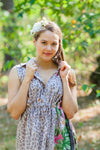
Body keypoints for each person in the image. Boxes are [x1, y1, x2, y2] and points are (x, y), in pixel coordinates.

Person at [7, 17, 78, 150]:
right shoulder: (18, 72)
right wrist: (27, 78)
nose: (49, 48)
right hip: (30, 138)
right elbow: (15, 113)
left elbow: (71, 113)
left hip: (59, 138)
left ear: (59, 44)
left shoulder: (66, 72)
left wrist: (64, 79)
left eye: (54, 44)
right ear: (34, 41)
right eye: (44, 42)